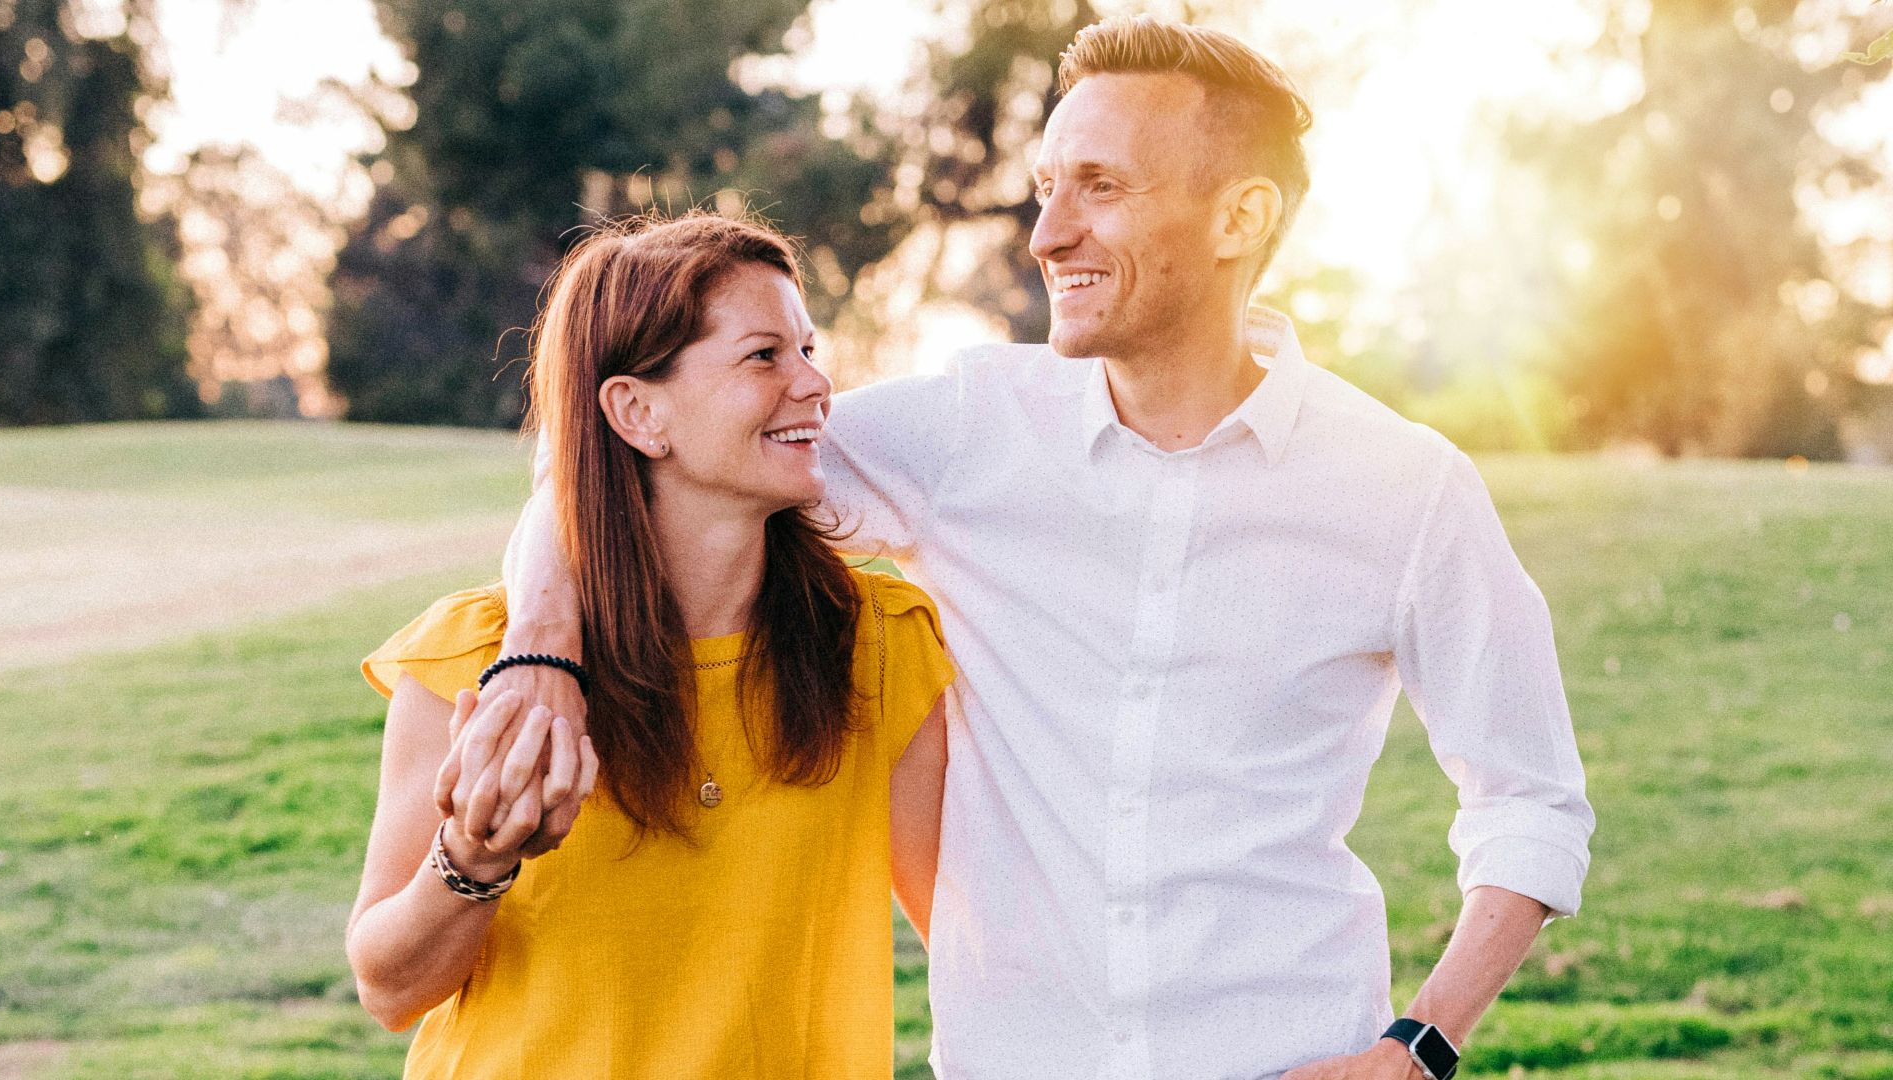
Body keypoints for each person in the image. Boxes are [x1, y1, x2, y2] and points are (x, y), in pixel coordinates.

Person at [492, 16, 1596, 1080]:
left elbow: (1532, 802)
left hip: (1286, 1055)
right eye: (1047, 189)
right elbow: (618, 461)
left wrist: (1422, 1045)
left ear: (1239, 217)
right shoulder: (970, 431)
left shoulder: (1404, 489)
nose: (1047, 232)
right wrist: (540, 650)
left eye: (1101, 187)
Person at [344, 213, 954, 1078]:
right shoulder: (477, 659)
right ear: (637, 411)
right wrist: (473, 861)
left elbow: (968, 940)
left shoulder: (880, 647)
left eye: (810, 350)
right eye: (763, 356)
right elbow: (388, 988)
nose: (817, 385)